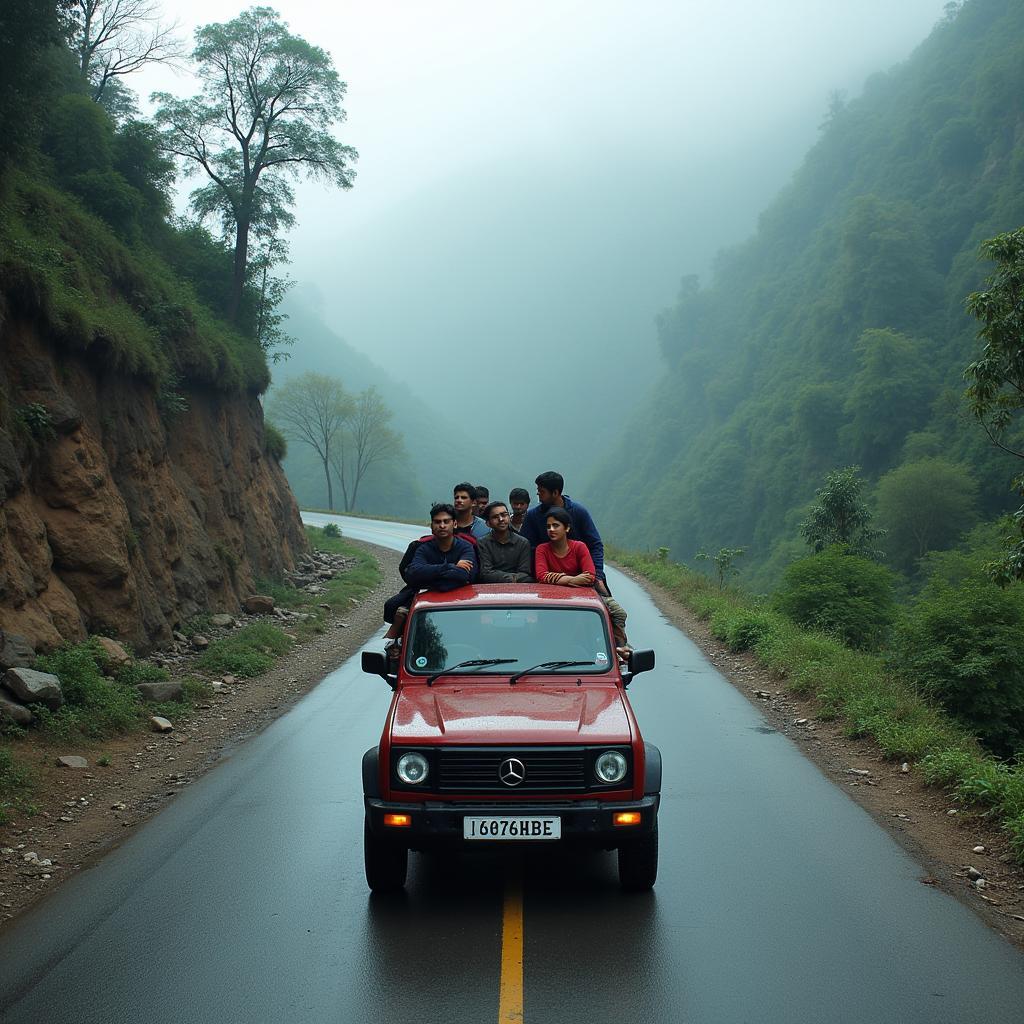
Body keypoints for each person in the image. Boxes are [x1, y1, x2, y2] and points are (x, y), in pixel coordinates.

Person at [382, 504, 478, 653]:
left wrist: (429, 575)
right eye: (437, 522)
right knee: (392, 606)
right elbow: (413, 573)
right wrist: (449, 567)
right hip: (425, 596)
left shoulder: (466, 547)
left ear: (455, 524)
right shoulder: (423, 547)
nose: (442, 525)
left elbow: (464, 575)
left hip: (461, 599)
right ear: (431, 526)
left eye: (446, 521)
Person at [534, 506, 630, 654]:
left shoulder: (579, 547)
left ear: (567, 528)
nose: (551, 530)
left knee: (618, 613)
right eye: (548, 527)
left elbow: (590, 576)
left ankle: (618, 649)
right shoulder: (542, 549)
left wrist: (556, 577)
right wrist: (573, 579)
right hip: (552, 595)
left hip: (583, 595)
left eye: (556, 525)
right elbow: (541, 576)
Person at [520, 471, 608, 592]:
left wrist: (597, 576)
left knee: (610, 608)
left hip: (583, 580)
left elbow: (595, 545)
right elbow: (526, 549)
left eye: (542, 492)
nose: (538, 494)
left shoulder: (578, 512)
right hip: (545, 583)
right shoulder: (532, 516)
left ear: (555, 493)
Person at [477, 501, 533, 583]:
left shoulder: (523, 542)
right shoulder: (483, 543)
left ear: (509, 517)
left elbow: (524, 573)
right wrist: (512, 578)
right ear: (488, 523)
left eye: (504, 515)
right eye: (495, 517)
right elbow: (486, 573)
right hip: (491, 588)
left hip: (519, 588)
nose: (501, 519)